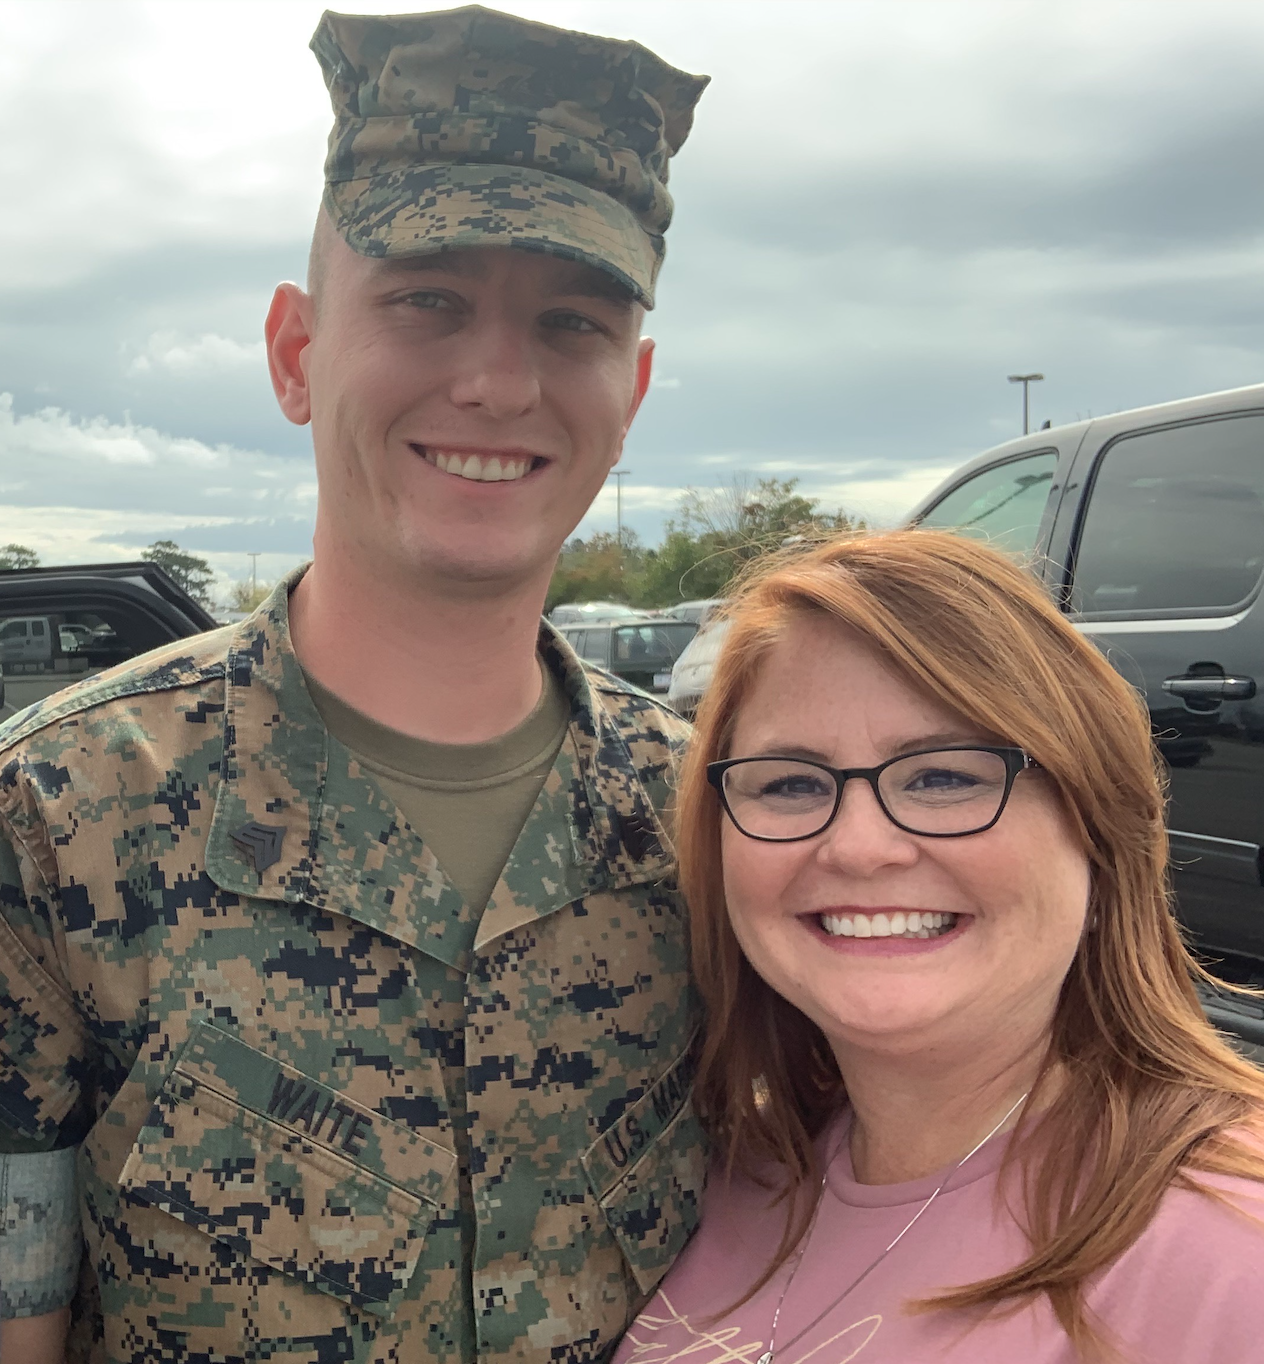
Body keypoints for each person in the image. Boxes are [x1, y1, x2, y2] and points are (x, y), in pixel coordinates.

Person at [0, 9, 709, 1363]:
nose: (501, 381)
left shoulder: (720, 826)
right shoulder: (55, 815)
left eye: (572, 322)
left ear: (636, 390)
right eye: (427, 299)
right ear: (294, 352)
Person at [616, 529, 1264, 1364]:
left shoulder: (1229, 1239)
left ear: (1101, 839)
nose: (858, 847)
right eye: (790, 783)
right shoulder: (737, 1165)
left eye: (945, 776)